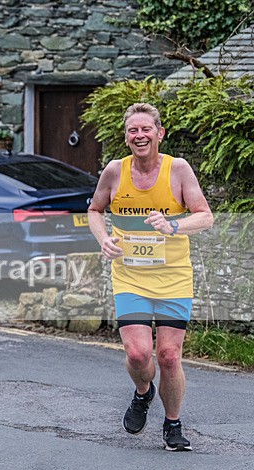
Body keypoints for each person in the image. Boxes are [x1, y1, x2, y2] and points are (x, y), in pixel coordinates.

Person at [88, 102, 213, 452]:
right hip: (131, 277)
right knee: (139, 354)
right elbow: (95, 210)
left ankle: (172, 423)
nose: (139, 135)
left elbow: (205, 216)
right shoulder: (115, 171)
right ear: (126, 137)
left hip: (173, 278)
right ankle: (143, 393)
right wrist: (104, 239)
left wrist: (173, 224)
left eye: (146, 129)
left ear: (160, 133)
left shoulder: (179, 170)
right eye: (133, 130)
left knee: (169, 356)